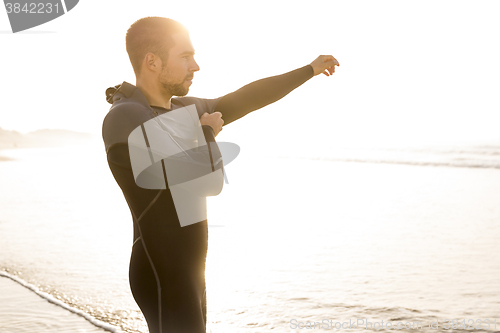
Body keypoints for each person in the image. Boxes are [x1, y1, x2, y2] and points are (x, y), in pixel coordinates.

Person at [102, 16, 339, 333]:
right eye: (185, 57)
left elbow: (246, 98)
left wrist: (308, 70)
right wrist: (206, 134)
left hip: (188, 270)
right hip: (161, 269)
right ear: (152, 62)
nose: (196, 66)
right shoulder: (126, 116)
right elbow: (207, 182)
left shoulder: (180, 110)